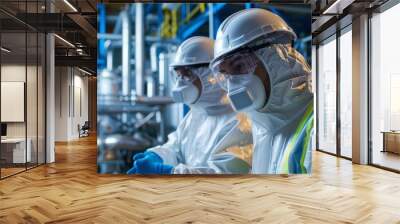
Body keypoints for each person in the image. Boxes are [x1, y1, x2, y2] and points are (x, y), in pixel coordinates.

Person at [127, 36, 252, 175]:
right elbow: (176, 148)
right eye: (178, 75)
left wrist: (169, 173)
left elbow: (225, 176)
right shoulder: (195, 115)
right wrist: (158, 156)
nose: (180, 83)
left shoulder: (240, 121)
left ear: (211, 75)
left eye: (187, 75)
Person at [209, 8, 314, 174]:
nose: (232, 83)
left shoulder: (316, 128)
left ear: (275, 58)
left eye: (239, 66)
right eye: (225, 74)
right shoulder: (259, 124)